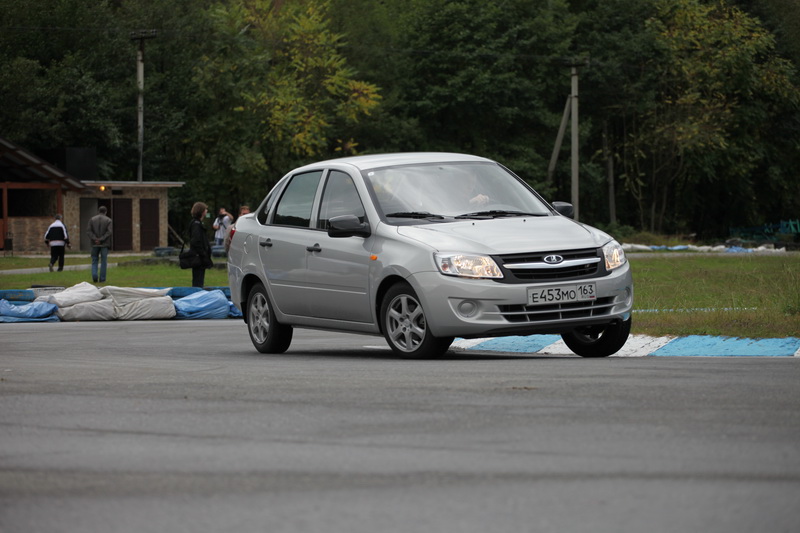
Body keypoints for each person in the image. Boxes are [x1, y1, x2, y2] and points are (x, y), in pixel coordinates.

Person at [189, 202, 213, 287]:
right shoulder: (196, 224)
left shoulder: (197, 223)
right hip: (198, 257)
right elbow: (196, 241)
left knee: (199, 278)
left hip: (199, 256)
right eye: (205, 209)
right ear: (202, 211)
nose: (206, 211)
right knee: (198, 280)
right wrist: (203, 254)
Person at [87, 206, 113, 283]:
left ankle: (94, 275)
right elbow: (109, 232)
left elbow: (88, 231)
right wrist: (101, 239)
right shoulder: (108, 220)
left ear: (98, 211)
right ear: (106, 212)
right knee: (103, 261)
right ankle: (102, 279)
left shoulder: (92, 219)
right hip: (104, 244)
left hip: (94, 244)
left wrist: (95, 239)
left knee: (94, 260)